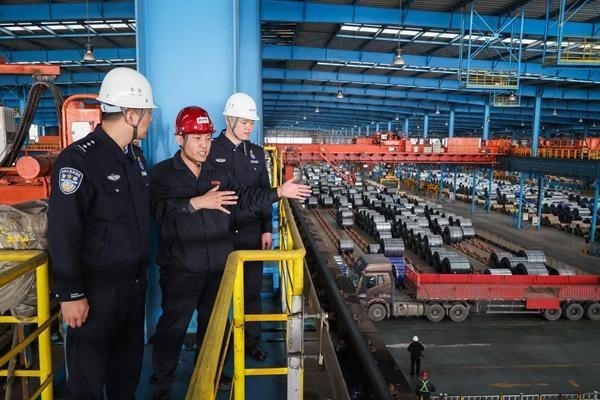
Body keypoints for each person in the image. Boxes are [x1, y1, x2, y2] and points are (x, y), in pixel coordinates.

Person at [149, 106, 310, 400]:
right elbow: (159, 210)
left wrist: (278, 192)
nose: (204, 145)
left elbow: (247, 198)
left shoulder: (218, 174)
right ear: (179, 139)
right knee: (172, 329)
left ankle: (210, 375)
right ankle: (162, 386)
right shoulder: (162, 174)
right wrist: (197, 203)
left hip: (217, 269)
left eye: (207, 138)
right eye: (196, 139)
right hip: (181, 269)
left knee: (214, 328)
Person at [47, 67, 157, 399]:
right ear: (131, 114)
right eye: (148, 113)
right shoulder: (79, 160)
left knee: (126, 374)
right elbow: (63, 231)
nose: (151, 120)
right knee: (87, 381)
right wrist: (70, 294)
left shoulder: (134, 157)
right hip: (95, 294)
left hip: (133, 287)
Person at [208, 92, 270, 360]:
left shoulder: (256, 153)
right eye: (244, 122)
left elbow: (264, 192)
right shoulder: (210, 150)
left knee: (252, 290)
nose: (249, 127)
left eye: (251, 122)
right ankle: (218, 345)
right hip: (218, 233)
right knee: (216, 293)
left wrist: (267, 228)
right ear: (229, 120)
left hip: (251, 233)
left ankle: (252, 342)